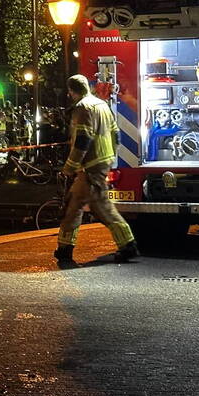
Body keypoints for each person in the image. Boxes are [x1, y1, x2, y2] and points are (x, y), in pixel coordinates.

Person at [54, 74, 140, 266]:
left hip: (91, 166)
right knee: (77, 205)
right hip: (102, 162)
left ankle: (127, 245)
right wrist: (110, 158)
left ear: (71, 91)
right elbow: (116, 134)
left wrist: (70, 167)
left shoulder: (82, 108)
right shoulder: (102, 105)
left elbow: (83, 140)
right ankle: (64, 250)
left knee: (94, 208)